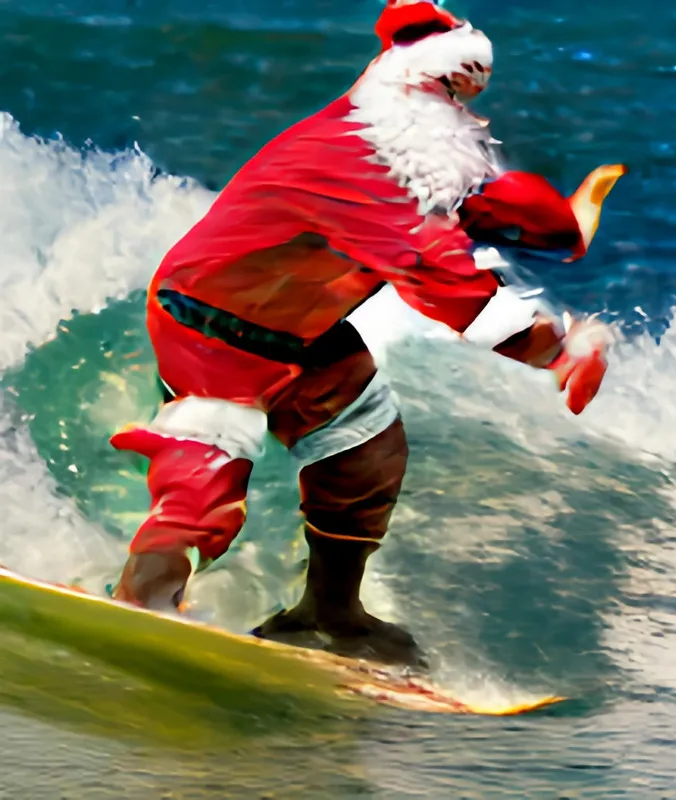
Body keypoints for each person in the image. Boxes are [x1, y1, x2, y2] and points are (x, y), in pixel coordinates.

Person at [109, 0, 625, 666]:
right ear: (400, 77)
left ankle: (328, 613)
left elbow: (483, 202)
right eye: (447, 92)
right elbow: (436, 273)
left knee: (366, 457)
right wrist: (554, 347)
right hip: (214, 325)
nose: (463, 112)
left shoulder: (417, 151)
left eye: (466, 98)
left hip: (313, 334)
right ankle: (143, 600)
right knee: (210, 462)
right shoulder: (349, 156)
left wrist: (565, 226)